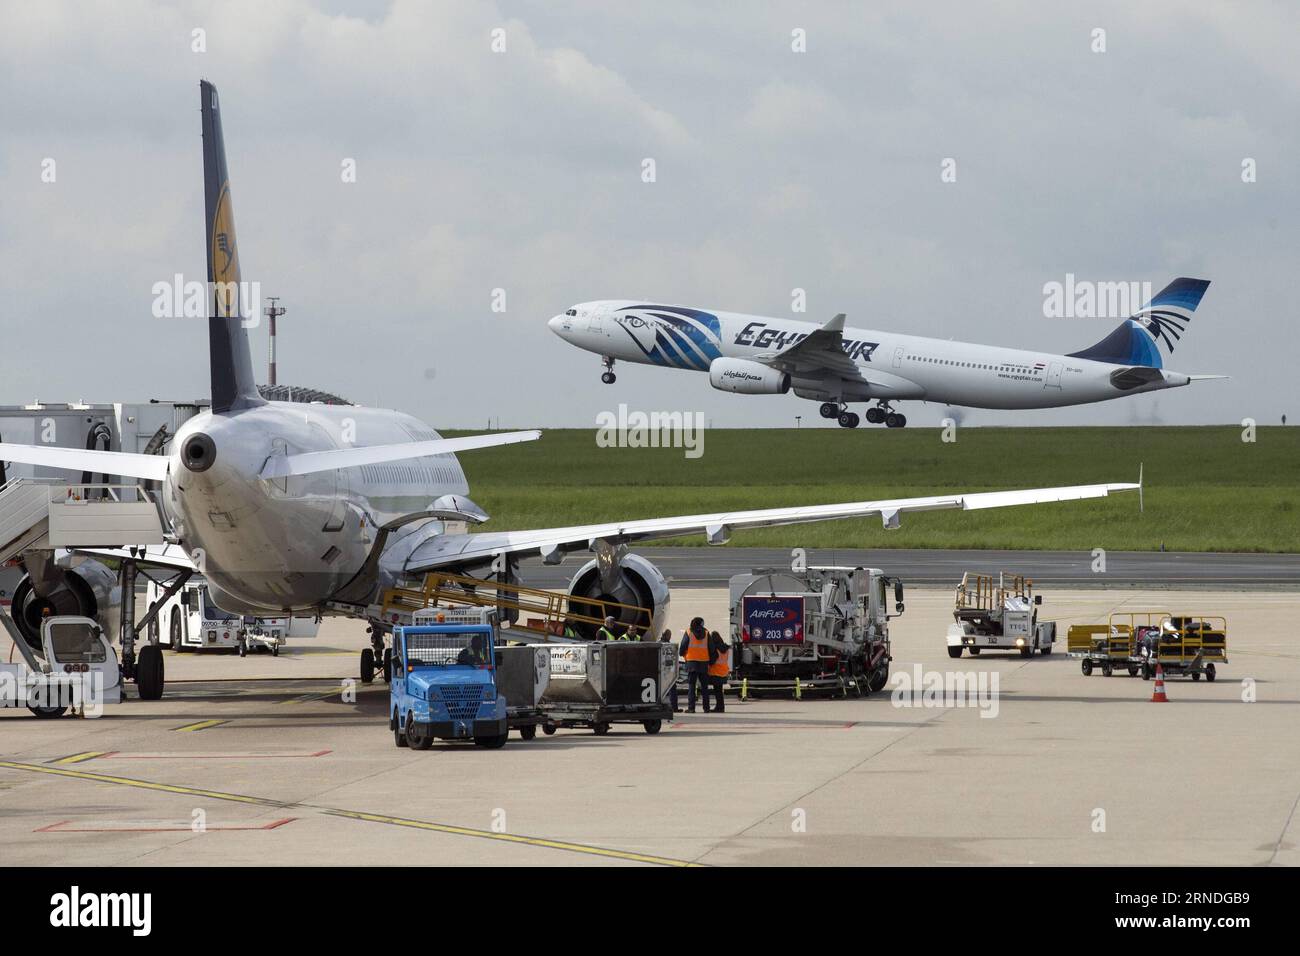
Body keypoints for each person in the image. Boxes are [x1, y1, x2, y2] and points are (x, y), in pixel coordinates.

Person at [679, 617, 712, 713]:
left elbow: (684, 645)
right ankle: (706, 708)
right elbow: (711, 647)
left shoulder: (689, 632)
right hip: (704, 662)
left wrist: (682, 653)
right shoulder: (706, 633)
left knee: (691, 686)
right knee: (705, 687)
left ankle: (691, 708)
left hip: (691, 662)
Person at [707, 630, 730, 713]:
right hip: (723, 671)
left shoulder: (714, 649)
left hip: (715, 672)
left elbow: (712, 661)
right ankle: (720, 706)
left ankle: (719, 707)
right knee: (719, 691)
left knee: (717, 692)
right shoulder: (725, 648)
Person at [660, 628, 680, 712]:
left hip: (663, 670)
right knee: (672, 689)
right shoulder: (668, 645)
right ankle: (673, 707)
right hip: (666, 671)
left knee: (663, 690)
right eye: (669, 635)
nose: (670, 636)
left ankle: (669, 707)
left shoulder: (660, 643)